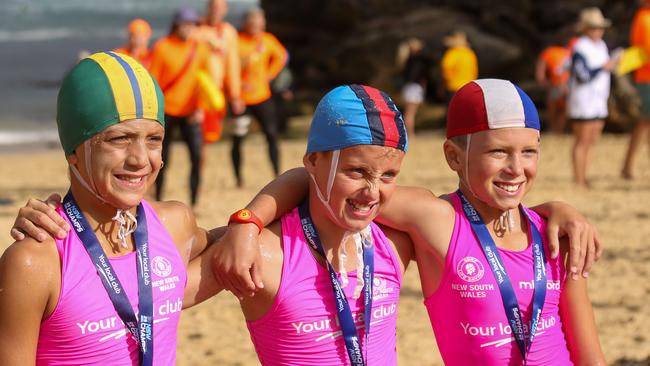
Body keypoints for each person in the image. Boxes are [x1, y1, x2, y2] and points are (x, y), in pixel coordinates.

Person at [11, 84, 603, 363]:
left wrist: (558, 209)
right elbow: (152, 292)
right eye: (355, 172)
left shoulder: (397, 244)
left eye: (387, 175)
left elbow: (483, 213)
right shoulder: (260, 256)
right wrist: (248, 220)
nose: (373, 192)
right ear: (315, 162)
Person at [213, 80, 607, 365]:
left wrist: (559, 208)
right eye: (499, 152)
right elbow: (317, 181)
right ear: (453, 156)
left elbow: (588, 351)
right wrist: (248, 221)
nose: (516, 168)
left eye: (528, 152)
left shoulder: (556, 234)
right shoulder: (434, 219)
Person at [0, 52, 223, 364]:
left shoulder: (174, 225)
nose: (140, 159)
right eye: (120, 139)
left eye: (154, 139)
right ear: (74, 151)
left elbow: (243, 241)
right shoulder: (36, 261)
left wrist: (249, 219)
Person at [149, 8, 211, 207]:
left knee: (196, 157)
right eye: (184, 24)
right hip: (166, 112)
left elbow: (204, 82)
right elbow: (154, 81)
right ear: (176, 25)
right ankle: (158, 198)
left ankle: (194, 202)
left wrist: (201, 108)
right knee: (161, 159)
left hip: (191, 112)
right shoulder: (162, 47)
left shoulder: (200, 49)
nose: (188, 28)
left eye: (191, 24)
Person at [231, 7, 288, 188]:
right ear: (246, 23)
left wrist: (269, 75)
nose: (256, 25)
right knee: (238, 138)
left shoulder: (268, 39)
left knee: (272, 135)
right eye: (253, 22)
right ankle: (238, 177)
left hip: (262, 97)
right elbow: (229, 68)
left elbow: (282, 56)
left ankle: (276, 173)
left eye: (259, 22)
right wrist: (237, 87)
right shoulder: (237, 41)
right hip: (241, 100)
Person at [567, 7, 620, 188]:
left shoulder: (601, 46)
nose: (599, 30)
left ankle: (585, 175)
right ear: (586, 28)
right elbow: (583, 75)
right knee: (582, 140)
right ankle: (578, 178)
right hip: (583, 100)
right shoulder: (580, 48)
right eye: (595, 27)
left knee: (592, 139)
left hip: (598, 100)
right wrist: (604, 67)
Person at [193, 0, 245, 143]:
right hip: (197, 91)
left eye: (219, 7)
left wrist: (235, 95)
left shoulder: (229, 32)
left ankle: (202, 164)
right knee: (196, 135)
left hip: (216, 91)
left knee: (210, 136)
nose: (216, 10)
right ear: (208, 8)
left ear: (225, 10)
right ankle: (198, 164)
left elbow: (233, 65)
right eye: (213, 7)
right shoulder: (196, 30)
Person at [622, 0, 650, 180]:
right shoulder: (644, 17)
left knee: (645, 122)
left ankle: (628, 166)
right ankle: (628, 166)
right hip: (647, 78)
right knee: (645, 121)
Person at [396, 37, 430, 137]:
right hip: (414, 87)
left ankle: (409, 133)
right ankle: (410, 134)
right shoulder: (416, 60)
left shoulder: (407, 60)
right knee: (410, 113)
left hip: (410, 87)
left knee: (409, 112)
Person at [536, 43, 571, 134]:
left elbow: (540, 73)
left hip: (555, 85)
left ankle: (553, 130)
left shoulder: (548, 52)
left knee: (553, 110)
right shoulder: (568, 52)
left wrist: (544, 83)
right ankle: (558, 131)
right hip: (565, 85)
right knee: (562, 110)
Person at [440, 31, 478, 102]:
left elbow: (446, 68)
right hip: (468, 87)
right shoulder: (470, 53)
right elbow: (474, 71)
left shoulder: (452, 53)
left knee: (452, 109)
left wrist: (445, 83)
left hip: (453, 86)